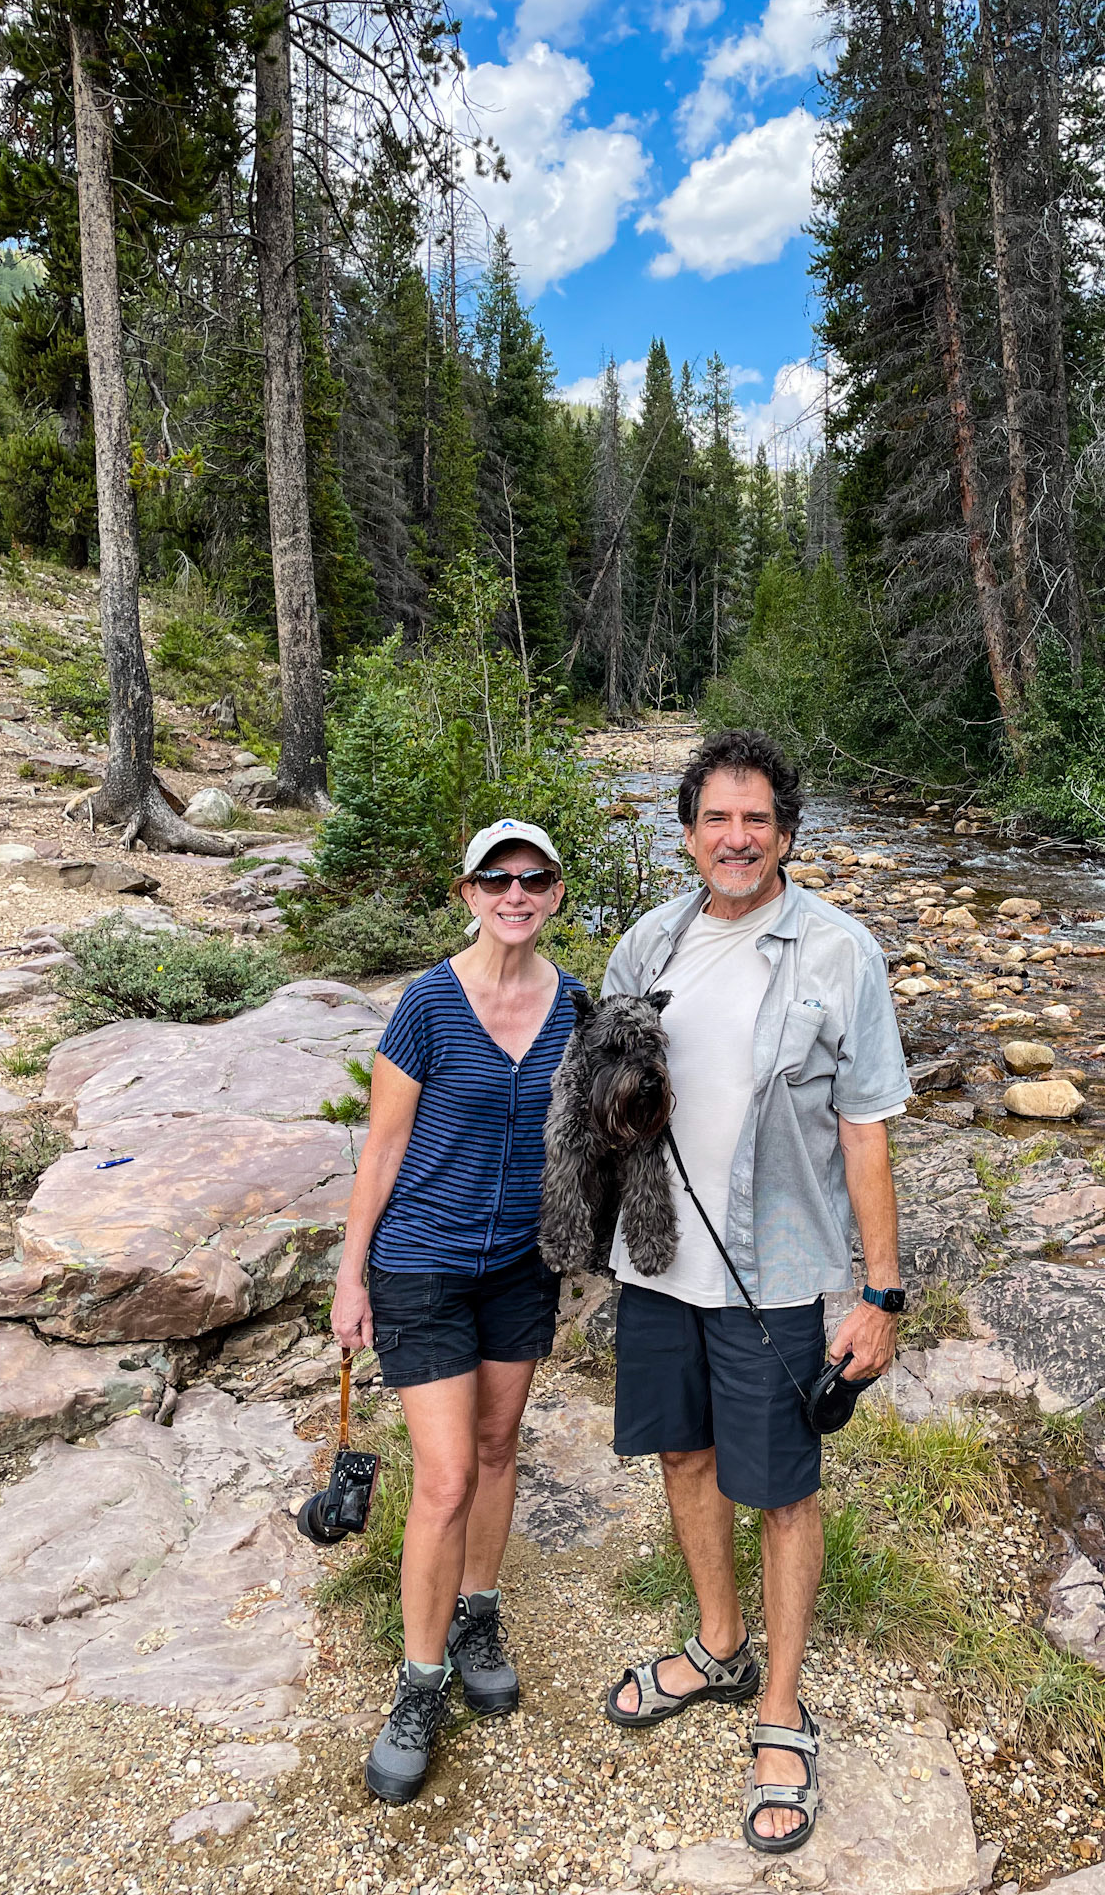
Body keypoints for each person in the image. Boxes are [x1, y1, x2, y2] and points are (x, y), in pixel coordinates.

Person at [600, 728, 911, 1855]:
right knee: (685, 1456)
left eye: (758, 818)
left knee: (780, 1485)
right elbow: (604, 1087)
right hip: (657, 1260)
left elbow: (865, 1127)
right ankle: (718, 1643)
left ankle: (780, 1709)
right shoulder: (651, 939)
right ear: (687, 833)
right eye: (716, 819)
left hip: (776, 1270)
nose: (737, 837)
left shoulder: (839, 953)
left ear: (786, 830)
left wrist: (878, 1291)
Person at [331, 818, 580, 1805]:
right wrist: (352, 1274)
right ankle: (419, 1679)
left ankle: (480, 1608)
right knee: (442, 1476)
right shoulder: (427, 1006)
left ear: (556, 892)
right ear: (467, 891)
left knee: (498, 1444)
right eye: (496, 877)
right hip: (423, 1265)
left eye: (533, 877)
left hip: (523, 1267)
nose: (514, 892)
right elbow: (382, 1151)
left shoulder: (576, 1006)